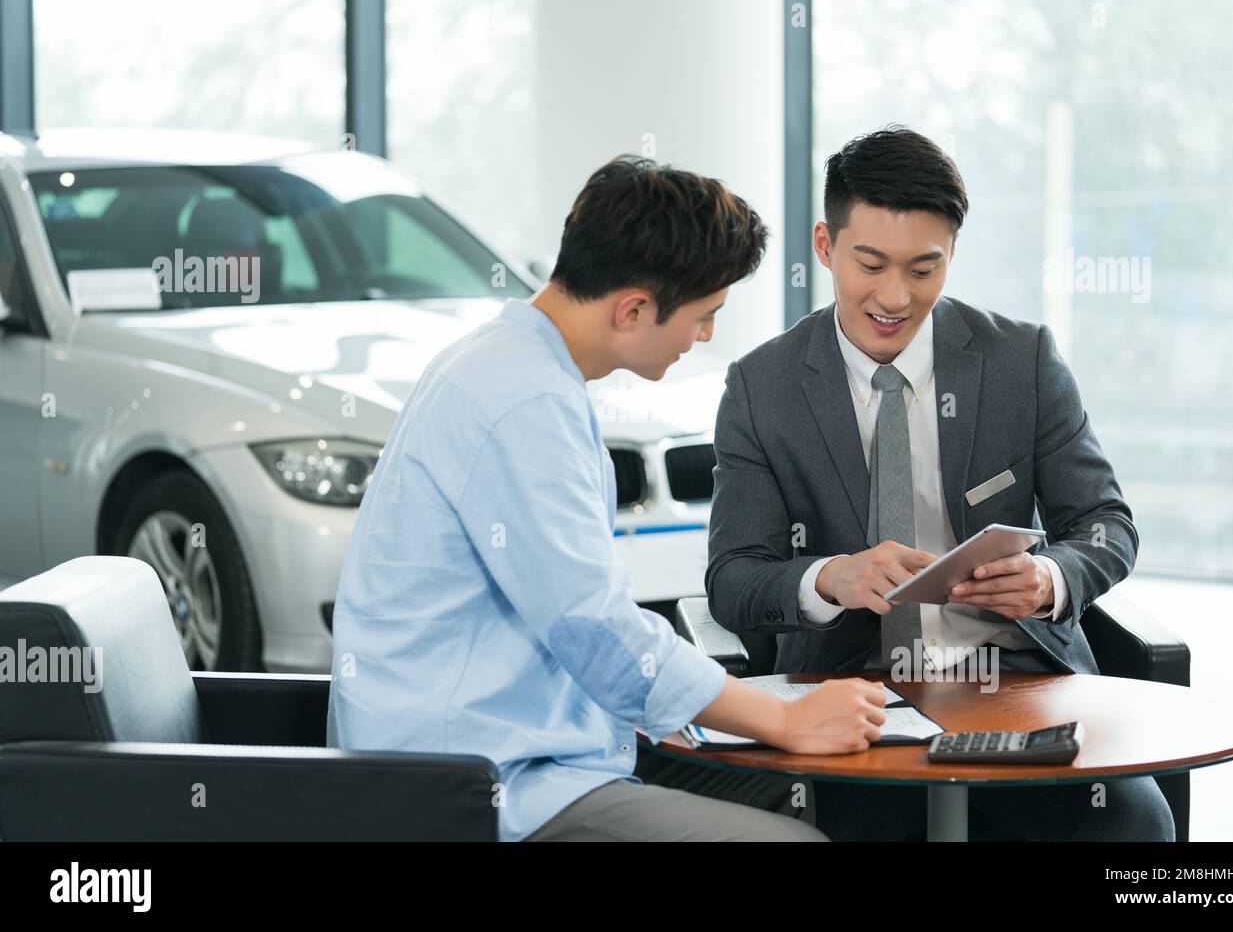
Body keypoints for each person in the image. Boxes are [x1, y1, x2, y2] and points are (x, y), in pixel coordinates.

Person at [327, 155, 889, 842]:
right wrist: (783, 718)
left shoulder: (517, 363)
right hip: (480, 781)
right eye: (704, 315)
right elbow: (593, 625)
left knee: (807, 797)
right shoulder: (523, 399)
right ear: (633, 309)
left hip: (531, 743)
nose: (705, 337)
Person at [705, 126, 1175, 841]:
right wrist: (830, 577)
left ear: (953, 252)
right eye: (871, 263)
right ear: (826, 246)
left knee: (1131, 826)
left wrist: (1047, 577)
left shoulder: (1023, 361)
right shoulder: (761, 388)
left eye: (923, 269)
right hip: (848, 695)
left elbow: (1107, 524)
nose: (894, 296)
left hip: (1016, 684)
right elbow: (733, 579)